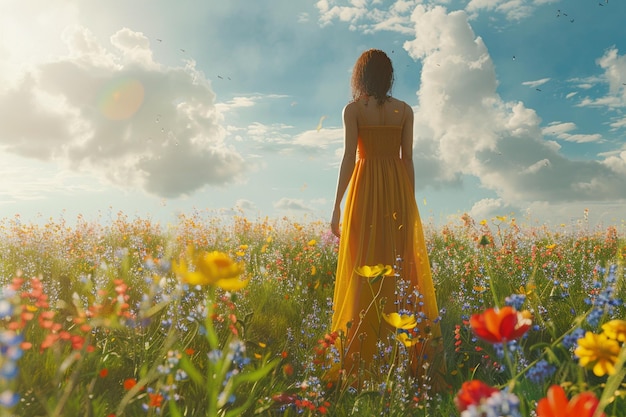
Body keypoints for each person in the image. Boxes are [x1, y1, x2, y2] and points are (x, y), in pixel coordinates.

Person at [329, 49, 444, 386]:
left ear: (360, 75)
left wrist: (337, 204)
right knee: (400, 265)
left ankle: (362, 356)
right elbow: (407, 159)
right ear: (388, 75)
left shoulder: (353, 110)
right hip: (396, 188)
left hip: (364, 190)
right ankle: (406, 358)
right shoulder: (404, 110)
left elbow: (350, 156)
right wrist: (408, 201)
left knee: (362, 263)